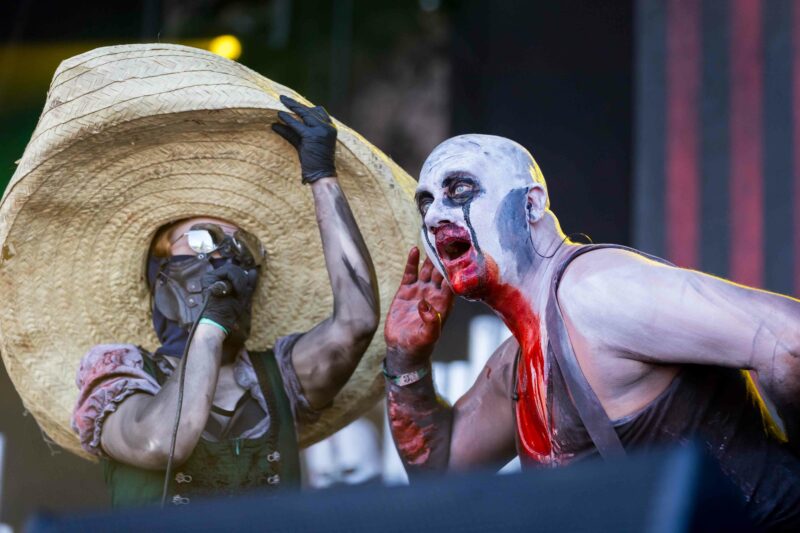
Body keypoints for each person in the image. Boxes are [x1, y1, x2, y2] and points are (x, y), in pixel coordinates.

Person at [383, 134, 800, 530]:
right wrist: (406, 359)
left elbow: (790, 341)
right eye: (426, 203)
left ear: (531, 204)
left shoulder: (595, 292)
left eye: (459, 190)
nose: (434, 216)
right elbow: (440, 473)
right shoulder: (517, 361)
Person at [71, 96, 379, 506]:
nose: (224, 256)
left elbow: (357, 323)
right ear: (159, 271)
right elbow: (161, 443)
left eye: (240, 246)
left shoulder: (279, 377)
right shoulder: (120, 376)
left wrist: (322, 177)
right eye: (203, 239)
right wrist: (210, 326)